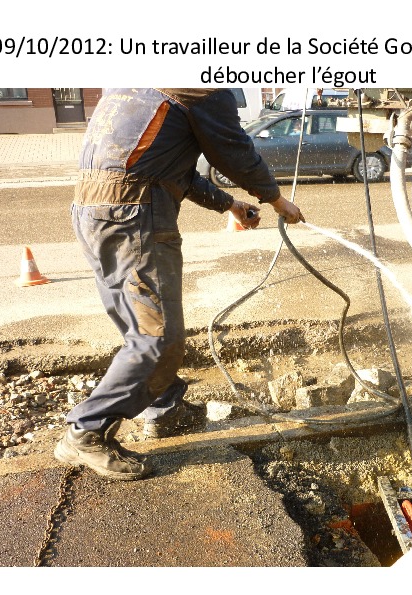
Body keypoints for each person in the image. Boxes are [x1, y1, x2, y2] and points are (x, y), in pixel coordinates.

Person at [54, 88, 305, 480]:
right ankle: (86, 431)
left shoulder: (141, 80)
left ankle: (163, 407)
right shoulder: (201, 83)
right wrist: (276, 199)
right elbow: (235, 153)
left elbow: (171, 172)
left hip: (94, 210)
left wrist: (229, 204)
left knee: (137, 322)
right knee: (158, 337)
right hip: (135, 214)